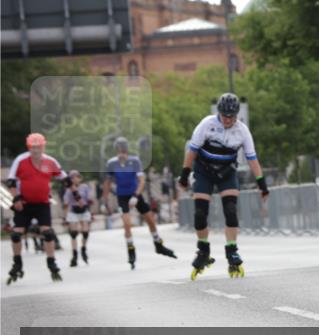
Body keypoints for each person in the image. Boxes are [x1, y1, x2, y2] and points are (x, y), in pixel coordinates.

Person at [177, 92, 269, 279]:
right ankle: (203, 251)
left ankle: (232, 251)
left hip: (227, 172)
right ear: (219, 112)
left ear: (236, 115)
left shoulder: (242, 131)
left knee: (230, 210)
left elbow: (252, 159)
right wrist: (184, 175)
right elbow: (192, 151)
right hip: (204, 171)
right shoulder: (207, 124)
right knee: (200, 213)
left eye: (232, 116)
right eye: (225, 116)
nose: (228, 120)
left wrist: (262, 184)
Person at [101, 137, 177, 269]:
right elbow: (107, 183)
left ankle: (158, 244)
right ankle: (131, 250)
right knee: (127, 224)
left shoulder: (134, 161)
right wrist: (105, 200)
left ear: (126, 150)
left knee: (150, 219)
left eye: (123, 150)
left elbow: (141, 180)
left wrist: (136, 195)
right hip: (122, 196)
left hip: (135, 194)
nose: (121, 153)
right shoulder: (111, 163)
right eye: (119, 150)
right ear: (116, 151)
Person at [5, 133, 69, 284]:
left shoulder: (50, 161)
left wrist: (69, 188)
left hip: (42, 204)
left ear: (43, 147)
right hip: (24, 204)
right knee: (16, 234)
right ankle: (17, 263)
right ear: (29, 147)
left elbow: (64, 177)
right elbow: (11, 181)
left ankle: (51, 262)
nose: (36, 150)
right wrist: (16, 198)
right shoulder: (21, 160)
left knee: (47, 233)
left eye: (38, 147)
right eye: (33, 147)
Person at [62, 169, 93, 266]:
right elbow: (66, 202)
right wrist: (65, 213)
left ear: (80, 178)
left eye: (77, 177)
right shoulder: (68, 190)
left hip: (84, 210)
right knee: (73, 233)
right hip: (73, 211)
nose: (75, 179)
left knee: (85, 232)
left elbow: (89, 198)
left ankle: (83, 249)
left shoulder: (84, 187)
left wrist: (89, 202)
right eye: (72, 178)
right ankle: (74, 254)